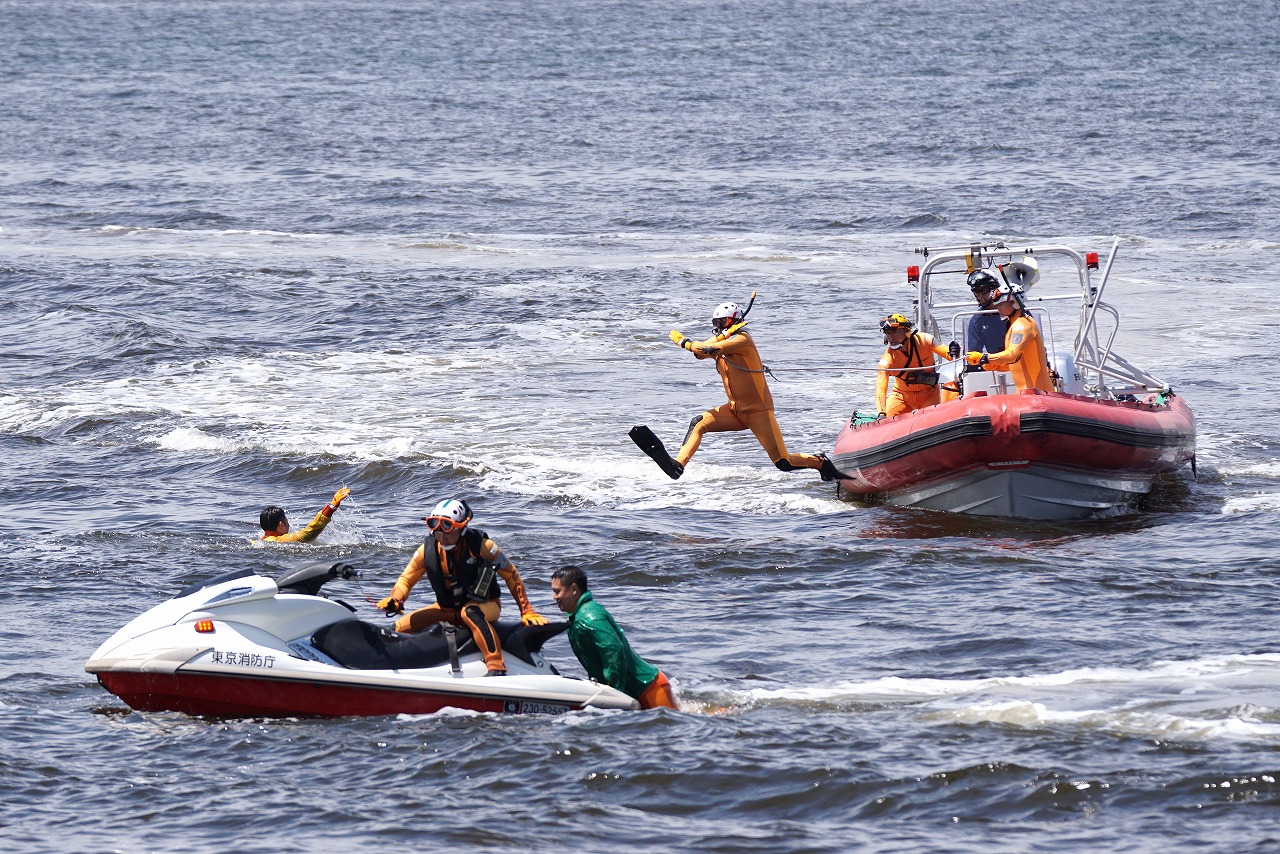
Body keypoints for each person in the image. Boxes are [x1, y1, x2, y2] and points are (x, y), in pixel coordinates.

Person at [632, 301, 841, 481]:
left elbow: (705, 350)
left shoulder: (743, 340)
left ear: (732, 321)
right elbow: (701, 354)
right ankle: (677, 465)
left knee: (783, 463)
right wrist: (717, 337)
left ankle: (820, 463)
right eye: (715, 323)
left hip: (758, 412)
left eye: (721, 322)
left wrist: (683, 341)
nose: (717, 326)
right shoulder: (726, 341)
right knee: (699, 423)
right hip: (735, 411)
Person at [377, 498, 547, 676]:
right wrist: (396, 599)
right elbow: (406, 579)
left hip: (485, 606)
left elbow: (512, 576)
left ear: (461, 526)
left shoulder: (483, 546)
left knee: (470, 612)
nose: (442, 535)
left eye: (447, 528)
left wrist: (526, 611)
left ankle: (496, 666)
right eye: (436, 528)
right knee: (396, 628)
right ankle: (382, 663)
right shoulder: (425, 551)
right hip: (446, 609)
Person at [549, 565, 678, 711]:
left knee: (673, 727)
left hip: (648, 686)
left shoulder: (589, 617)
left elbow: (614, 649)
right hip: (634, 687)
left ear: (573, 589)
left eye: (557, 591)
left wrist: (615, 692)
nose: (554, 597)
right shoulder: (577, 616)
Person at [965, 283, 1054, 393]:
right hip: (1025, 392)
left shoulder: (1022, 326)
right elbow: (1017, 362)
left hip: (1039, 393)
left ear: (1015, 303)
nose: (998, 308)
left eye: (1001, 304)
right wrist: (992, 365)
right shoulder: (1014, 324)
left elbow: (1012, 355)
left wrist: (984, 358)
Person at [874, 313, 954, 418]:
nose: (891, 337)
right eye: (888, 333)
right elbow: (881, 387)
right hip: (902, 397)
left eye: (895, 332)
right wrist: (881, 413)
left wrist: (953, 351)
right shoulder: (887, 360)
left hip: (929, 395)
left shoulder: (926, 341)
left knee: (930, 420)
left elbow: (950, 355)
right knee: (886, 421)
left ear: (907, 332)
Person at [259, 487, 351, 542]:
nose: (289, 524)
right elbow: (307, 534)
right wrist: (331, 507)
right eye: (286, 521)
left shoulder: (261, 540)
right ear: (281, 525)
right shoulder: (279, 540)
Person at [964, 270, 1009, 355]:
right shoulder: (977, 320)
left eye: (984, 291)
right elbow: (974, 353)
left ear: (994, 289)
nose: (980, 296)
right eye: (976, 292)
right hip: (996, 364)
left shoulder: (1014, 309)